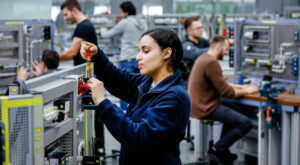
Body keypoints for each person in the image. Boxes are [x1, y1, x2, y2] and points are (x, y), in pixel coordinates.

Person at [80, 28, 190, 165]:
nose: (138, 56)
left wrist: (102, 103)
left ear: (166, 53)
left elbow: (139, 138)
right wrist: (97, 56)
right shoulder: (148, 82)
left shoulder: (174, 96)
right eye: (139, 50)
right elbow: (117, 79)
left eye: (146, 51)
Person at [188, 35, 259, 164]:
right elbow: (227, 92)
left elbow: (221, 83)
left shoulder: (203, 58)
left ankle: (222, 151)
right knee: (245, 123)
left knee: (236, 110)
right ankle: (217, 149)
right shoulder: (211, 62)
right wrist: (246, 91)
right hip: (205, 106)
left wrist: (242, 86)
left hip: (198, 104)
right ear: (219, 47)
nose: (226, 53)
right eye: (226, 50)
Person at [59, 0, 98, 66]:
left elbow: (72, 52)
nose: (65, 18)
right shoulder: (84, 24)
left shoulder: (83, 26)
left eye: (66, 14)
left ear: (74, 11)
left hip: (87, 71)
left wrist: (53, 60)